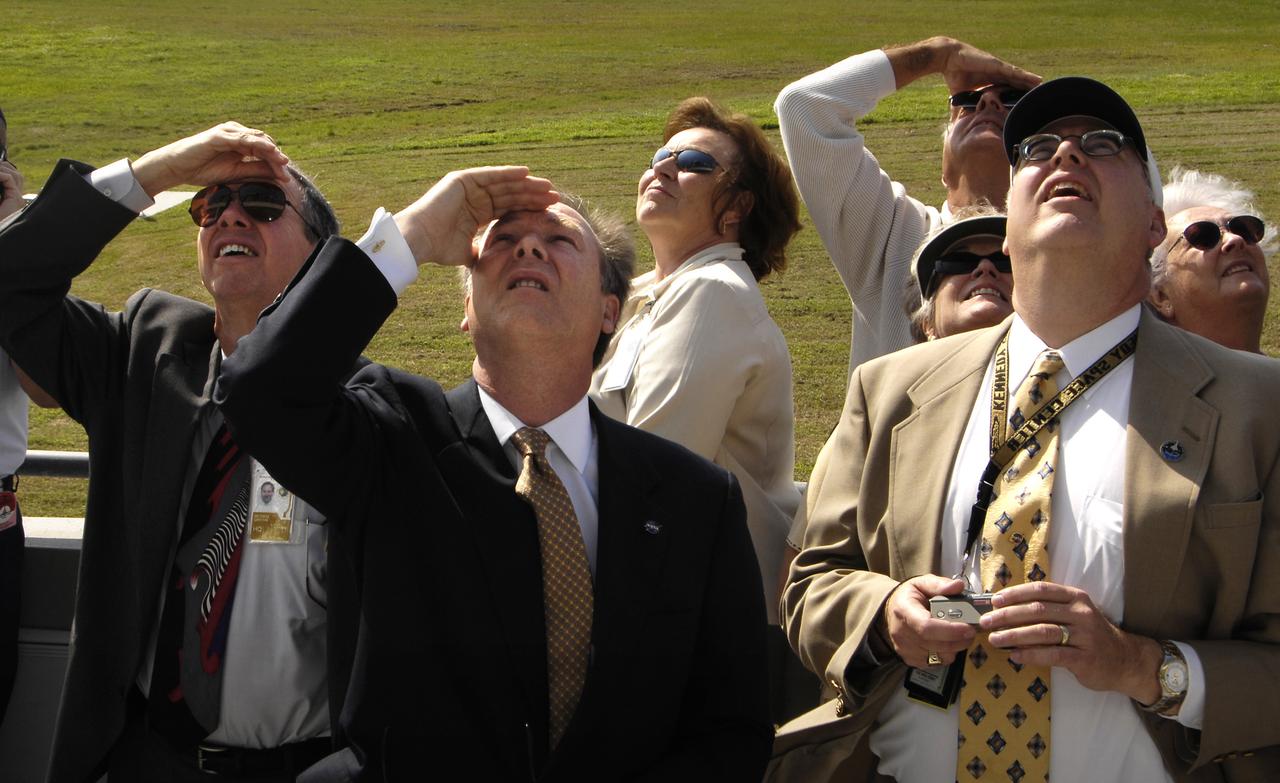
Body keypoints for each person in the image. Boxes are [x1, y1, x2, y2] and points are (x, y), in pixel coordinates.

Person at [779, 77, 1280, 781]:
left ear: (1152, 226)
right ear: (1008, 229)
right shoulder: (893, 388)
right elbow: (811, 582)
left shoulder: (1257, 406)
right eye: (1039, 149)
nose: (1066, 155)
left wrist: (1146, 667)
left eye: (1102, 145)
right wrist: (887, 610)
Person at [216, 165, 773, 780]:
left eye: (560, 240)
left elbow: (733, 730)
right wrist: (416, 235)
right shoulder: (391, 437)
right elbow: (258, 392)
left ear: (610, 312)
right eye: (502, 241)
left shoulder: (693, 497)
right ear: (465, 308)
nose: (529, 246)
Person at [0, 123, 341, 782]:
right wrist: (157, 172)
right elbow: (10, 280)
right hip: (145, 757)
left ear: (322, 256)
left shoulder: (360, 407)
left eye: (263, 205)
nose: (230, 214)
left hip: (302, 768)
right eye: (210, 206)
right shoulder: (146, 355)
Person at [590, 97, 801, 626]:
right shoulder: (646, 294)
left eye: (693, 164)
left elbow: (652, 470)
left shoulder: (712, 292)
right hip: (661, 591)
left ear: (737, 208)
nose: (662, 166)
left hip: (695, 614)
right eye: (661, 154)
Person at [774, 36, 1039, 374]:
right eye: (967, 103)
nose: (988, 103)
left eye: (1012, 101)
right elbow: (804, 106)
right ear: (944, 167)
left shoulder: (1059, 243)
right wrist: (939, 53)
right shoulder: (897, 231)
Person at [1149, 166, 1274, 353]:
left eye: (1243, 229)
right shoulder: (1146, 382)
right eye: (1203, 237)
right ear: (1160, 295)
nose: (1235, 239)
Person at [905, 208, 1013, 343]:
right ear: (927, 323)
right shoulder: (886, 365)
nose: (985, 266)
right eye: (960, 260)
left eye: (1006, 261)